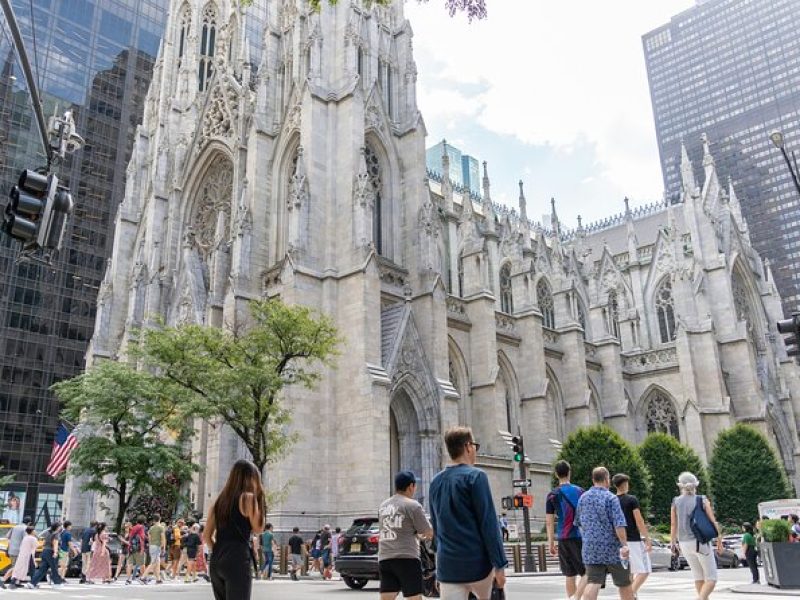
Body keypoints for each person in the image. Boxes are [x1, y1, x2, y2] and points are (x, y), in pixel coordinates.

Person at [429, 426, 507, 600]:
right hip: (477, 565)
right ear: (468, 446)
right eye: (475, 446)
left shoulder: (435, 482)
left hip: (448, 567)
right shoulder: (476, 477)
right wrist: (499, 565)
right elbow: (489, 524)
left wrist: (437, 568)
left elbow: (436, 528)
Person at [203, 459, 265, 600]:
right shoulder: (248, 498)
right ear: (251, 478)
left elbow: (207, 535)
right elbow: (258, 529)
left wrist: (221, 551)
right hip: (237, 558)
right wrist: (260, 498)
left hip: (217, 559)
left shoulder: (219, 501)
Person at [576, 467, 632, 600]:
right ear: (607, 479)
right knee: (624, 583)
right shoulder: (611, 498)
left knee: (593, 581)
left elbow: (579, 523)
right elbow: (619, 524)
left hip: (590, 547)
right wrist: (624, 545)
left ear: (593, 480)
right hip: (612, 547)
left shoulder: (583, 498)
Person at [378, 470, 434, 600]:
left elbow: (397, 529)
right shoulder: (412, 505)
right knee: (414, 597)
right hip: (407, 558)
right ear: (411, 486)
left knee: (387, 596)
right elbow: (428, 531)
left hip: (385, 558)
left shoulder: (383, 506)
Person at [670, 471, 723, 600]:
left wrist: (673, 543)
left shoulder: (675, 501)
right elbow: (712, 520)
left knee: (698, 576)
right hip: (700, 542)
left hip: (684, 543)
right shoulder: (702, 499)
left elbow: (673, 524)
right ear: (695, 485)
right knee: (711, 578)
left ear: (680, 486)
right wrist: (719, 540)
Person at [546, 460, 587, 600]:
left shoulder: (552, 495)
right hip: (579, 536)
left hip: (563, 537)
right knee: (587, 572)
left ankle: (572, 597)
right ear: (569, 472)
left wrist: (551, 542)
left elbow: (549, 522)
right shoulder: (581, 491)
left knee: (569, 574)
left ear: (557, 474)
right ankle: (576, 598)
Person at [612, 473, 652, 596]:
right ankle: (630, 595)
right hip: (633, 540)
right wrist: (647, 538)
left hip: (618, 541)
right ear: (625, 484)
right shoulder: (631, 499)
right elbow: (639, 520)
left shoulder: (612, 500)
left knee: (628, 573)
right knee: (645, 570)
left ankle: (629, 595)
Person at [29, 522, 65, 588]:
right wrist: (55, 552)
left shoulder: (48, 532)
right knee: (54, 568)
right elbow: (55, 543)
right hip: (51, 552)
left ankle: (32, 583)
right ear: (57, 527)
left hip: (45, 551)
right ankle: (57, 583)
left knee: (42, 569)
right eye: (60, 526)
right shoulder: (56, 534)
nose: (61, 528)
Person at [2, 516, 32, 586]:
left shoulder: (15, 527)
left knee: (16, 567)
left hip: (11, 550)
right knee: (16, 567)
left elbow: (7, 536)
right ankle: (3, 580)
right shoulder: (25, 528)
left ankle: (16, 582)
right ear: (29, 522)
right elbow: (26, 540)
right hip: (19, 551)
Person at [141, 514, 166, 583]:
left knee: (157, 563)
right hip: (157, 546)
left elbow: (149, 537)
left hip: (151, 546)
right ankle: (143, 577)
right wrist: (164, 548)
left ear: (153, 520)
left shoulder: (151, 528)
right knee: (153, 563)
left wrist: (151, 544)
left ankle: (158, 579)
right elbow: (163, 538)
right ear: (160, 519)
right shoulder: (161, 527)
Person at [126, 515, 147, 584]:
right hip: (139, 548)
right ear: (144, 521)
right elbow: (142, 538)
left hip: (131, 547)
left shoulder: (133, 527)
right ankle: (143, 578)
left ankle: (128, 580)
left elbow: (130, 537)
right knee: (142, 564)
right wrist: (142, 549)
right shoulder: (141, 527)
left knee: (130, 564)